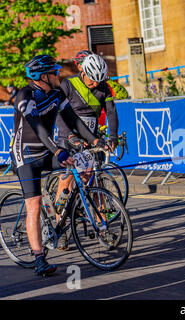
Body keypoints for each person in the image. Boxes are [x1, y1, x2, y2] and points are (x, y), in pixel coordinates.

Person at [12, 54, 106, 276]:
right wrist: (58, 150)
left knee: (77, 167)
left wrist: (95, 140)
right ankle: (38, 258)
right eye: (53, 72)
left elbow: (73, 120)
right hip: (26, 156)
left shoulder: (56, 93)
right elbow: (38, 128)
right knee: (33, 205)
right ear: (42, 76)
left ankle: (59, 214)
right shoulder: (25, 96)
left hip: (46, 151)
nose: (58, 75)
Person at [55, 52, 119, 250]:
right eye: (92, 80)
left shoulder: (103, 87)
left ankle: (102, 226)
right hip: (69, 138)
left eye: (98, 81)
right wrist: (70, 136)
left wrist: (113, 137)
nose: (94, 85)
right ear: (83, 72)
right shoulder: (68, 84)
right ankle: (60, 226)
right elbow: (58, 112)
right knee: (67, 181)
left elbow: (111, 112)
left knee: (94, 180)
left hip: (91, 139)